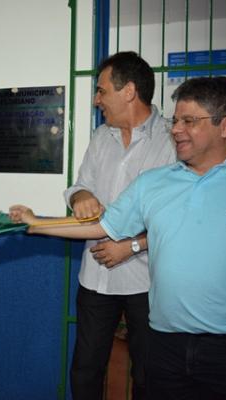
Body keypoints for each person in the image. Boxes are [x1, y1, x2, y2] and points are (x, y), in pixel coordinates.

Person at [10, 76, 226, 400]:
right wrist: (35, 223)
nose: (176, 129)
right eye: (177, 120)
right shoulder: (153, 183)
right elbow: (102, 227)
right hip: (167, 344)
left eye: (189, 121)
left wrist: (133, 246)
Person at [63, 51, 175, 400]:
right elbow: (79, 184)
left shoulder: (172, 140)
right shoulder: (101, 137)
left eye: (101, 91)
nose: (97, 100)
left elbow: (174, 215)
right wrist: (80, 195)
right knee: (84, 370)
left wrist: (131, 245)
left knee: (147, 373)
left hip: (147, 280)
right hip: (96, 277)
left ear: (128, 91)